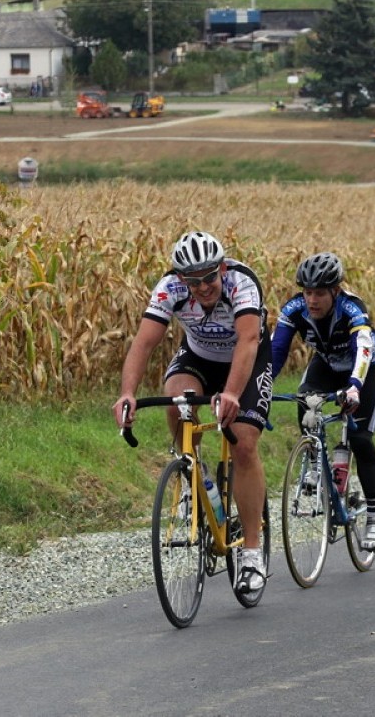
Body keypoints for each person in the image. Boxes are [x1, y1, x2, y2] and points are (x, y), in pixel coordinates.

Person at [113, 231, 273, 592]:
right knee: (177, 397)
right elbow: (144, 342)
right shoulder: (170, 288)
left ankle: (251, 552)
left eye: (208, 277)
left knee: (243, 443)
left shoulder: (241, 283)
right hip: (199, 356)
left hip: (244, 360)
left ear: (222, 268)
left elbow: (248, 340)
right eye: (192, 280)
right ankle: (193, 478)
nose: (202, 287)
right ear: (181, 278)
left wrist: (232, 393)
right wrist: (127, 393)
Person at [271, 252, 375, 549]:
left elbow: (363, 349)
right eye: (307, 292)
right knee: (304, 398)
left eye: (320, 293)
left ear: (335, 291)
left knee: (360, 439)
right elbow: (276, 352)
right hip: (327, 364)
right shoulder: (295, 309)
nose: (312, 300)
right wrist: (261, 387)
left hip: (364, 369)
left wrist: (354, 388)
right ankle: (314, 462)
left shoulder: (352, 309)